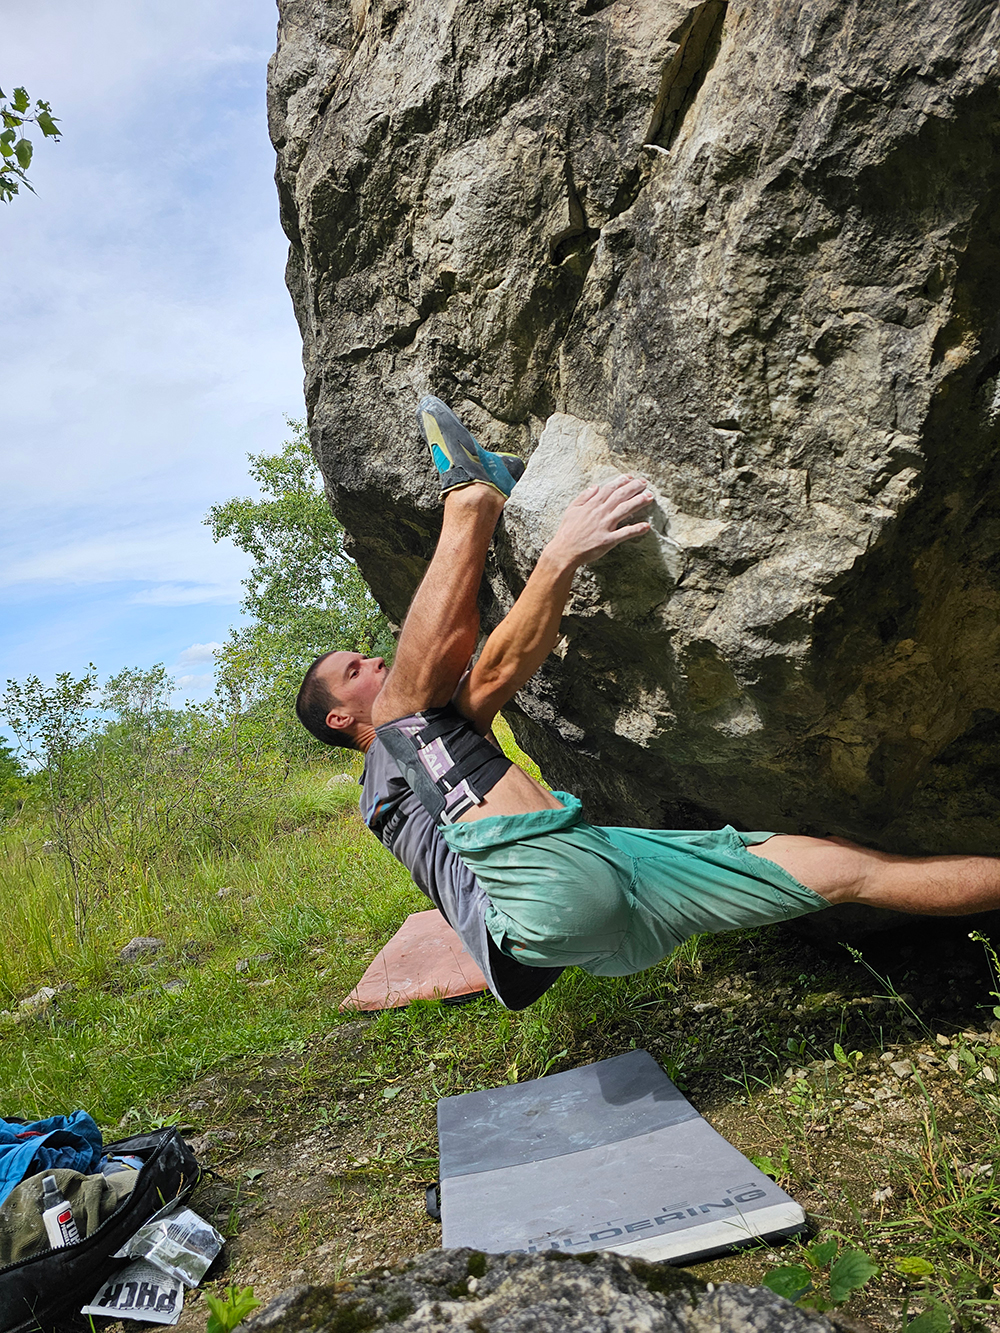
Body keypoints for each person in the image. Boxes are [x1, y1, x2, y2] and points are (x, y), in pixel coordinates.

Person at [296, 397, 1000, 1009]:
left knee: (853, 869)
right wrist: (558, 553)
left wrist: (562, 561)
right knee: (404, 713)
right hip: (536, 909)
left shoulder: (431, 752)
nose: (376, 660)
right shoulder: (383, 777)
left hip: (601, 888)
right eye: (356, 668)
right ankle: (471, 497)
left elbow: (496, 671)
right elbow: (437, 683)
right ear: (337, 718)